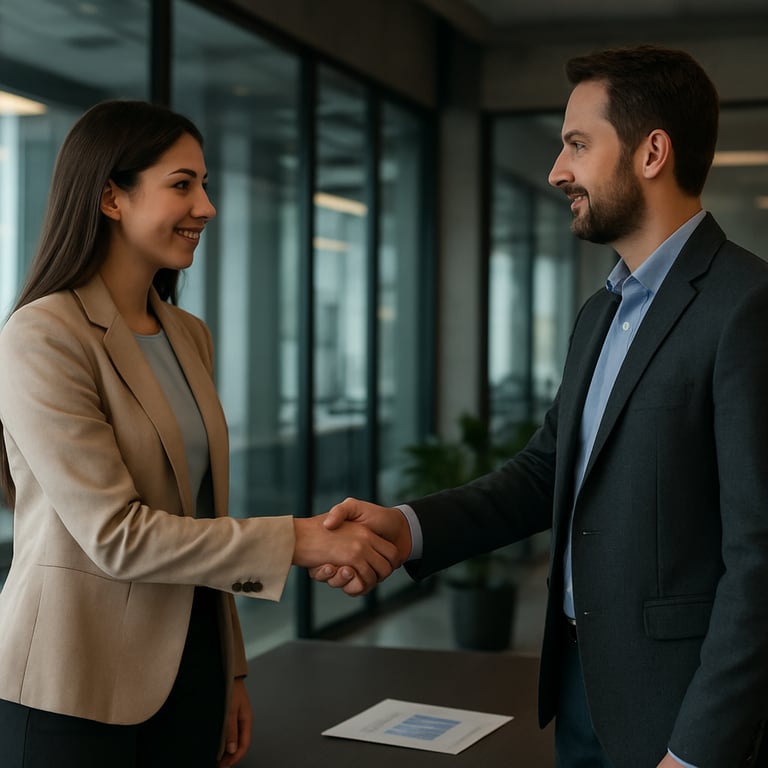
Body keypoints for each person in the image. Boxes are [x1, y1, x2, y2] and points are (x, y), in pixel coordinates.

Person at [316, 45, 768, 768]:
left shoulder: (746, 307)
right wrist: (406, 530)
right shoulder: (601, 313)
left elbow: (761, 562)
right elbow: (545, 473)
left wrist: (696, 753)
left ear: (652, 152)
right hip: (581, 697)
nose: (559, 170)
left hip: (681, 719)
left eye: (578, 145)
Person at [0, 100, 400, 768]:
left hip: (191, 672)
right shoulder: (44, 335)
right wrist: (296, 540)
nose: (207, 207)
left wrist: (231, 670)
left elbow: (201, 517)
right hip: (71, 685)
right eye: (182, 184)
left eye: (205, 185)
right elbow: (115, 537)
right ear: (110, 197)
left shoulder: (188, 336)